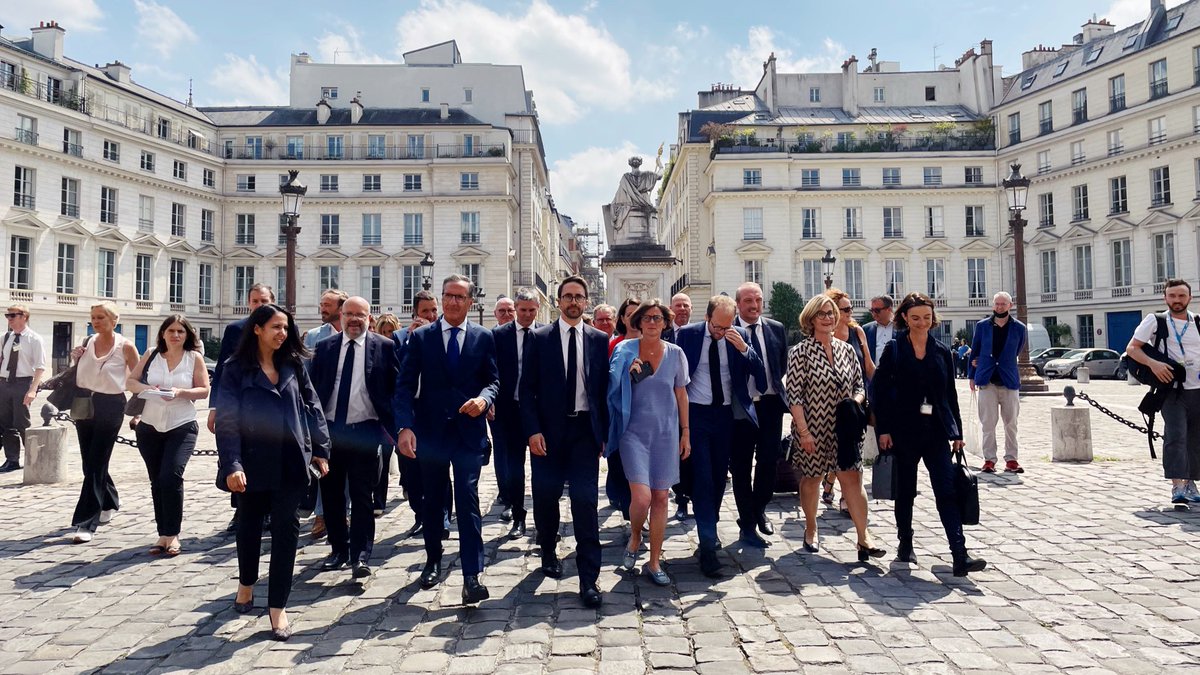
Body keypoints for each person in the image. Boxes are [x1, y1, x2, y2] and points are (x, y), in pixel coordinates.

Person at [216, 303, 331, 640]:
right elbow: (227, 420)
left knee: (286, 533)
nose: (282, 334)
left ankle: (278, 608)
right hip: (251, 463)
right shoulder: (235, 368)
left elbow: (313, 407)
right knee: (249, 529)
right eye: (276, 327)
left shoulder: (294, 363)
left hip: (291, 461)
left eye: (286, 328)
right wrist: (232, 464)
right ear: (257, 329)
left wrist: (321, 450)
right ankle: (246, 583)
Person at [395, 274, 499, 604]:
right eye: (448, 296)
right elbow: (405, 385)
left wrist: (485, 399)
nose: (452, 302)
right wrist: (404, 426)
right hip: (432, 432)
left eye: (459, 297)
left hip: (469, 433)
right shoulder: (423, 337)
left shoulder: (483, 337)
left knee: (468, 499)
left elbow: (493, 381)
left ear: (471, 301)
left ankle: (472, 575)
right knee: (433, 500)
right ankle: (433, 560)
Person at [875, 292, 986, 577]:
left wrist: (956, 431)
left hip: (935, 430)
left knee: (946, 490)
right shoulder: (895, 349)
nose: (922, 323)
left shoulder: (941, 351)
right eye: (915, 318)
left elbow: (949, 393)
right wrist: (883, 429)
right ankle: (905, 543)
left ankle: (959, 555)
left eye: (926, 317)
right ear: (904, 318)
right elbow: (879, 392)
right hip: (903, 430)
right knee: (906, 491)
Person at [520, 276, 609, 607]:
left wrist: (604, 433)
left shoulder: (599, 339)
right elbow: (526, 390)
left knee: (585, 502)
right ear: (558, 301)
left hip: (585, 433)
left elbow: (602, 391)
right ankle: (547, 550)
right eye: (568, 296)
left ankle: (589, 579)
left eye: (579, 297)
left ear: (586, 302)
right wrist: (532, 430)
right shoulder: (539, 338)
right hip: (548, 434)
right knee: (545, 497)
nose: (574, 301)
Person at [785, 295, 883, 562]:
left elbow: (859, 385)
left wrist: (857, 401)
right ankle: (811, 527)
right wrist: (804, 433)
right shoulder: (800, 352)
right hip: (813, 428)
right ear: (811, 319)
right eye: (822, 314)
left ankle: (864, 537)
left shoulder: (846, 349)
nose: (828, 318)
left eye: (831, 314)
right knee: (813, 479)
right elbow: (794, 396)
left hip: (846, 428)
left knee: (852, 478)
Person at [675, 295, 765, 575]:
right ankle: (708, 545)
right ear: (707, 318)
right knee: (702, 477)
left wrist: (745, 351)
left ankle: (708, 527)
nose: (721, 332)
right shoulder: (688, 336)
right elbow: (673, 374)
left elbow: (761, 380)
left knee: (716, 480)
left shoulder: (737, 337)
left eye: (727, 327)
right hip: (696, 415)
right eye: (717, 327)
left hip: (726, 417)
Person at [309, 297, 398, 581]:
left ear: (369, 318)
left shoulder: (384, 347)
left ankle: (361, 556)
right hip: (331, 432)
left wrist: (395, 429)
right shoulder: (324, 348)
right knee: (332, 495)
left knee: (362, 496)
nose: (354, 320)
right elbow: (311, 393)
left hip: (365, 431)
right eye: (349, 314)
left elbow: (395, 389)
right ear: (341, 316)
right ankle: (338, 550)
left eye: (360, 315)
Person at [607, 299, 690, 586]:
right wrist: (625, 373)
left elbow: (681, 393)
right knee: (641, 497)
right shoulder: (624, 349)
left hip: (665, 432)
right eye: (647, 318)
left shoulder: (676, 354)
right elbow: (610, 388)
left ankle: (654, 560)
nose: (653, 322)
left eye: (658, 318)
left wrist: (686, 431)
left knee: (661, 497)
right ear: (638, 322)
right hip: (633, 432)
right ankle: (634, 534)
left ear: (666, 323)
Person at [127, 315, 209, 556]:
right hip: (150, 425)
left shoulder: (194, 358)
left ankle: (172, 534)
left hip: (181, 424)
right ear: (163, 333)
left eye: (180, 332)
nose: (175, 335)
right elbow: (131, 382)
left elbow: (204, 390)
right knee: (157, 480)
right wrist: (148, 390)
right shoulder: (151, 354)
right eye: (171, 330)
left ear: (187, 335)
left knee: (171, 475)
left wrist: (180, 392)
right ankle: (162, 532)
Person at [69, 302, 140, 544]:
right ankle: (109, 500)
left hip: (111, 404)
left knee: (98, 460)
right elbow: (79, 372)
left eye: (101, 317)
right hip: (84, 401)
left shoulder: (125, 346)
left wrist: (137, 412)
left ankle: (87, 521)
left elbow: (139, 379)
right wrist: (75, 359)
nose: (96, 321)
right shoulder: (87, 341)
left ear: (114, 320)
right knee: (88, 461)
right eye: (93, 318)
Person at [1126, 279, 1200, 504]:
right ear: (1165, 298)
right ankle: (1177, 485)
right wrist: (1153, 364)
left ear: (1190, 298)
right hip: (1171, 391)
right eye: (1172, 296)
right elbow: (1132, 348)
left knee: (1195, 438)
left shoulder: (1197, 321)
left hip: (1197, 388)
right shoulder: (1155, 321)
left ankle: (1191, 483)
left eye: (1181, 296)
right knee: (1176, 435)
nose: (1177, 300)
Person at [209, 283, 276, 532]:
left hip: (270, 404)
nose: (259, 305)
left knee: (269, 458)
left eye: (264, 301)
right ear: (249, 303)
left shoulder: (281, 326)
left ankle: (268, 510)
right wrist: (215, 407)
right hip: (240, 404)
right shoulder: (235, 329)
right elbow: (222, 369)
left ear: (272, 301)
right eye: (255, 301)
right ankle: (240, 510)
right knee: (238, 456)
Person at [731, 282, 789, 541]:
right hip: (741, 407)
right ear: (738, 304)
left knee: (769, 460)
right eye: (748, 301)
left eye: (758, 300)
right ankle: (747, 519)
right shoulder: (728, 331)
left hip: (770, 404)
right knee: (741, 465)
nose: (754, 306)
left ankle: (759, 510)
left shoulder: (776, 329)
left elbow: (781, 365)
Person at [392, 290, 452, 539]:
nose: (430, 315)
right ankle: (421, 515)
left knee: (439, 467)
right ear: (415, 312)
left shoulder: (443, 335)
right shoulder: (398, 337)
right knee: (412, 470)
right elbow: (397, 373)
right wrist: (409, 340)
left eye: (433, 310)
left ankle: (444, 517)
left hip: (435, 412)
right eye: (425, 311)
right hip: (410, 413)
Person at [490, 288, 542, 539]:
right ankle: (518, 515)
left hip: (539, 411)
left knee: (542, 467)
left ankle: (543, 519)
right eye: (522, 310)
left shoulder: (545, 334)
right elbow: (490, 371)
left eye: (532, 310)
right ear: (515, 309)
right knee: (514, 466)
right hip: (508, 409)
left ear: (538, 309)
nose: (527, 315)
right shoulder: (498, 335)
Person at [821, 288, 876, 509]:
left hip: (855, 402)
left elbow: (869, 367)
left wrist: (882, 389)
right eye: (845, 309)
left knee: (852, 449)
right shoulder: (825, 334)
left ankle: (846, 498)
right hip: (829, 405)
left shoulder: (858, 332)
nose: (849, 312)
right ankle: (829, 480)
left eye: (851, 308)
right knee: (836, 449)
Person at [968, 292, 1027, 474]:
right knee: (988, 423)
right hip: (987, 380)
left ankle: (1011, 459)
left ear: (1010, 305)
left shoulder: (1019, 328)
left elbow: (1017, 349)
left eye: (1003, 304)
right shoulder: (982, 326)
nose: (999, 307)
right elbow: (975, 350)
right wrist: (972, 375)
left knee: (1011, 423)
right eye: (997, 304)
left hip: (1008, 380)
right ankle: (989, 459)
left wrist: (1003, 362)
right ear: (993, 306)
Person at [606, 297, 641, 524]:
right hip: (620, 414)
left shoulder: (656, 343)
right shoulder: (613, 345)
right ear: (621, 319)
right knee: (621, 464)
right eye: (630, 315)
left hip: (646, 415)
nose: (635, 320)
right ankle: (630, 510)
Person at [0, 304, 46, 473]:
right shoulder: (6, 337)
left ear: (24, 317)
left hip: (22, 383)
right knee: (6, 424)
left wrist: (33, 390)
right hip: (4, 383)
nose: (9, 319)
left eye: (12, 316)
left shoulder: (34, 339)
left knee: (22, 424)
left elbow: (40, 367)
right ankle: (12, 460)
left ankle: (34, 460)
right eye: (8, 316)